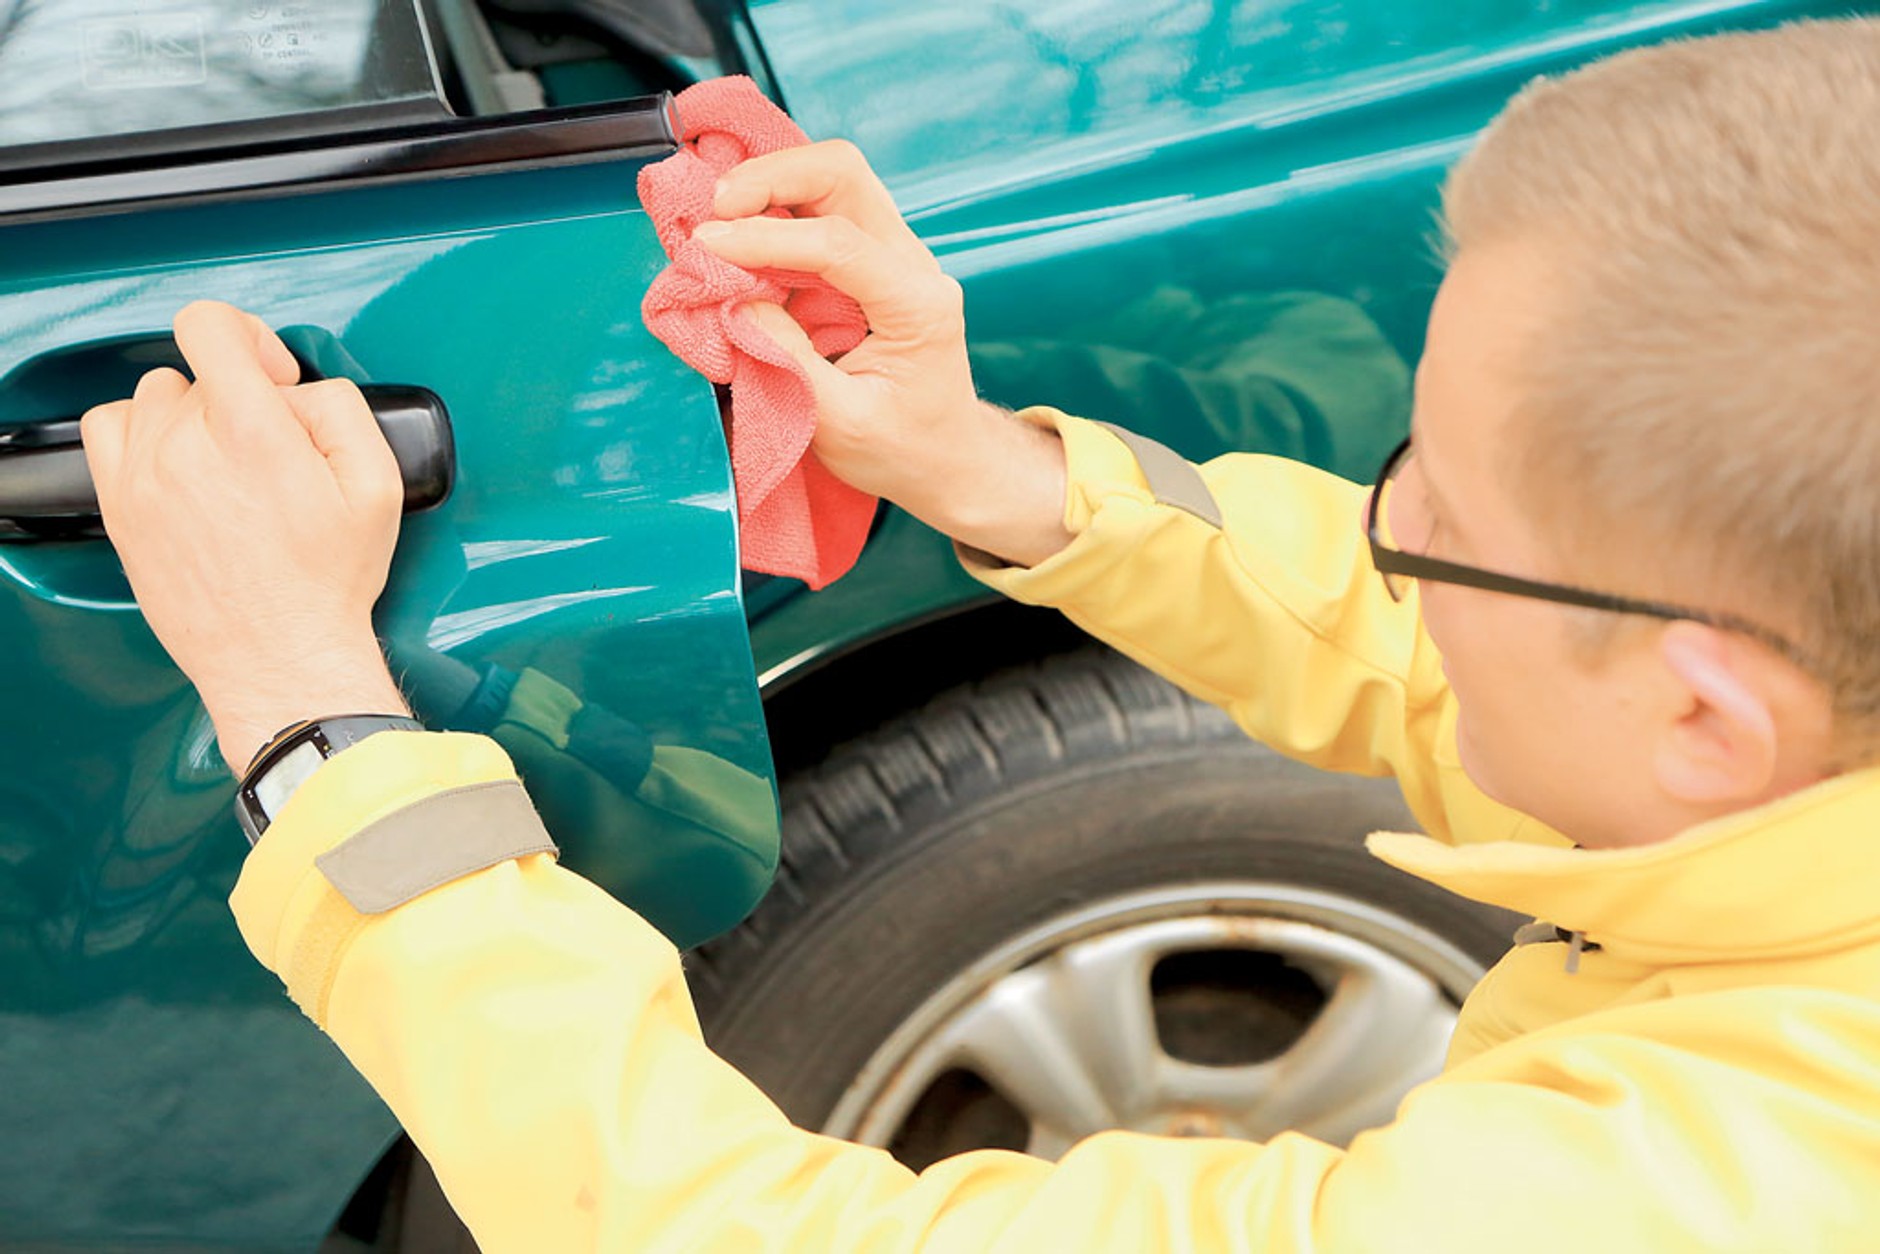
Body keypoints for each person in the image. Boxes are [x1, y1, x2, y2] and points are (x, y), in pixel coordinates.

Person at [81, 20, 1880, 1251]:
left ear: (1708, 719)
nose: (1380, 529)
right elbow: (1405, 645)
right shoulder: (1793, 794)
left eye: (1436, 517)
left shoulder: (1692, 1197)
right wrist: (989, 467)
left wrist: (310, 717)